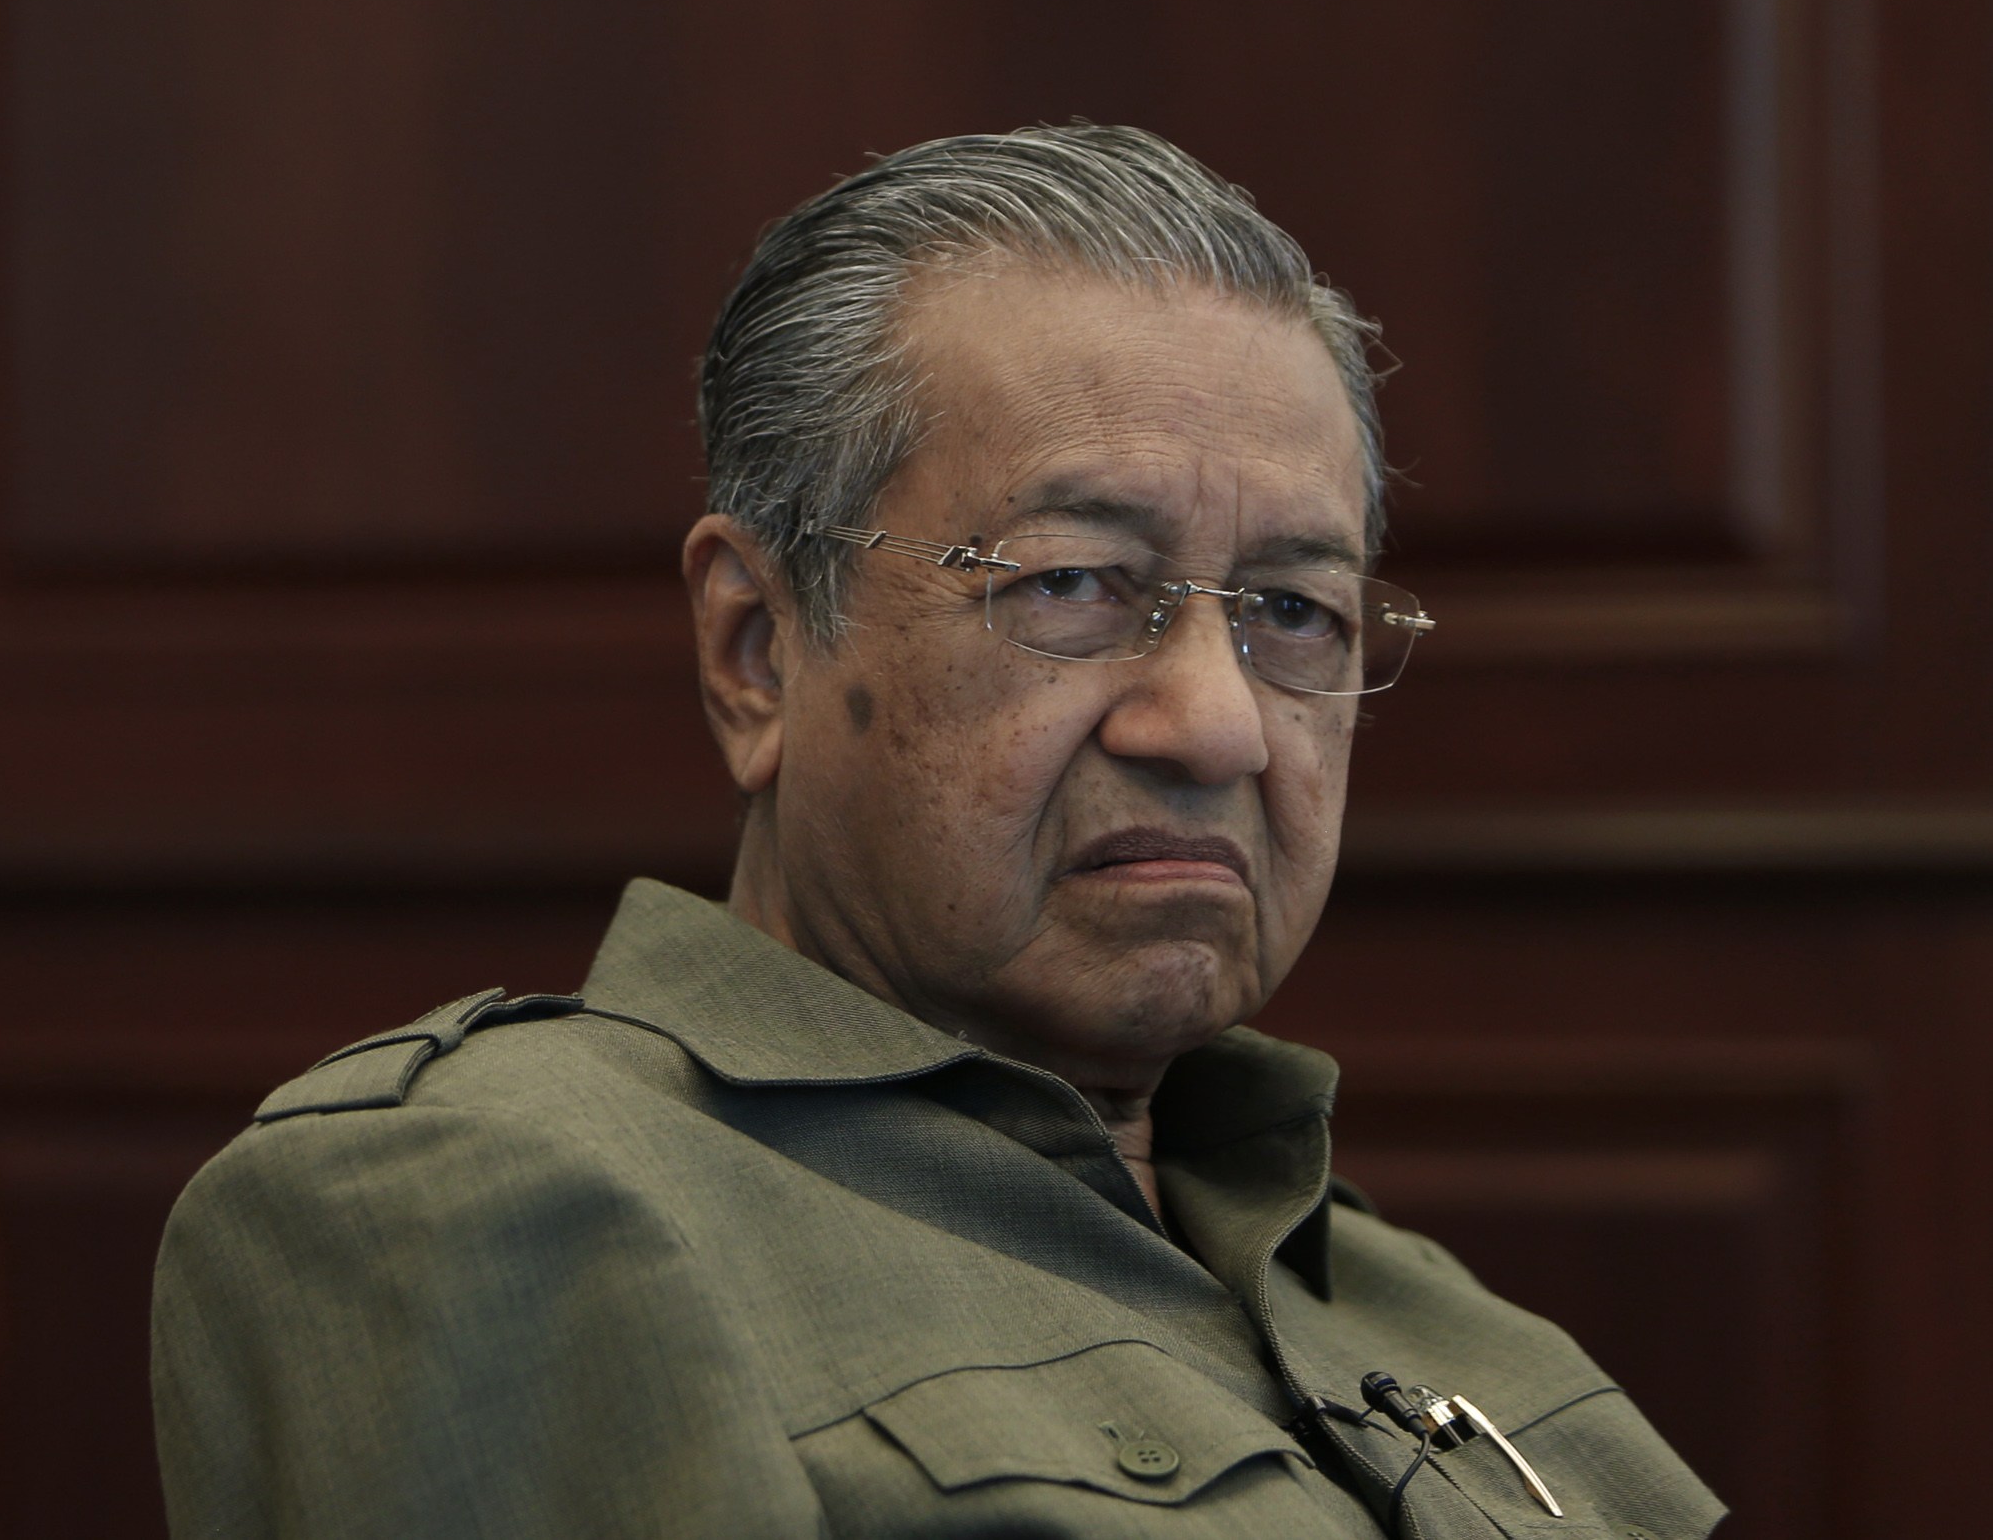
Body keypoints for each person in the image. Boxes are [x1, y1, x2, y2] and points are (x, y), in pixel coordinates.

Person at [149, 126, 1724, 1538]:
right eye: (1070, 584)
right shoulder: (486, 1200)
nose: (1220, 724)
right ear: (758, 650)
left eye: (1294, 612)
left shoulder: (1407, 1301)